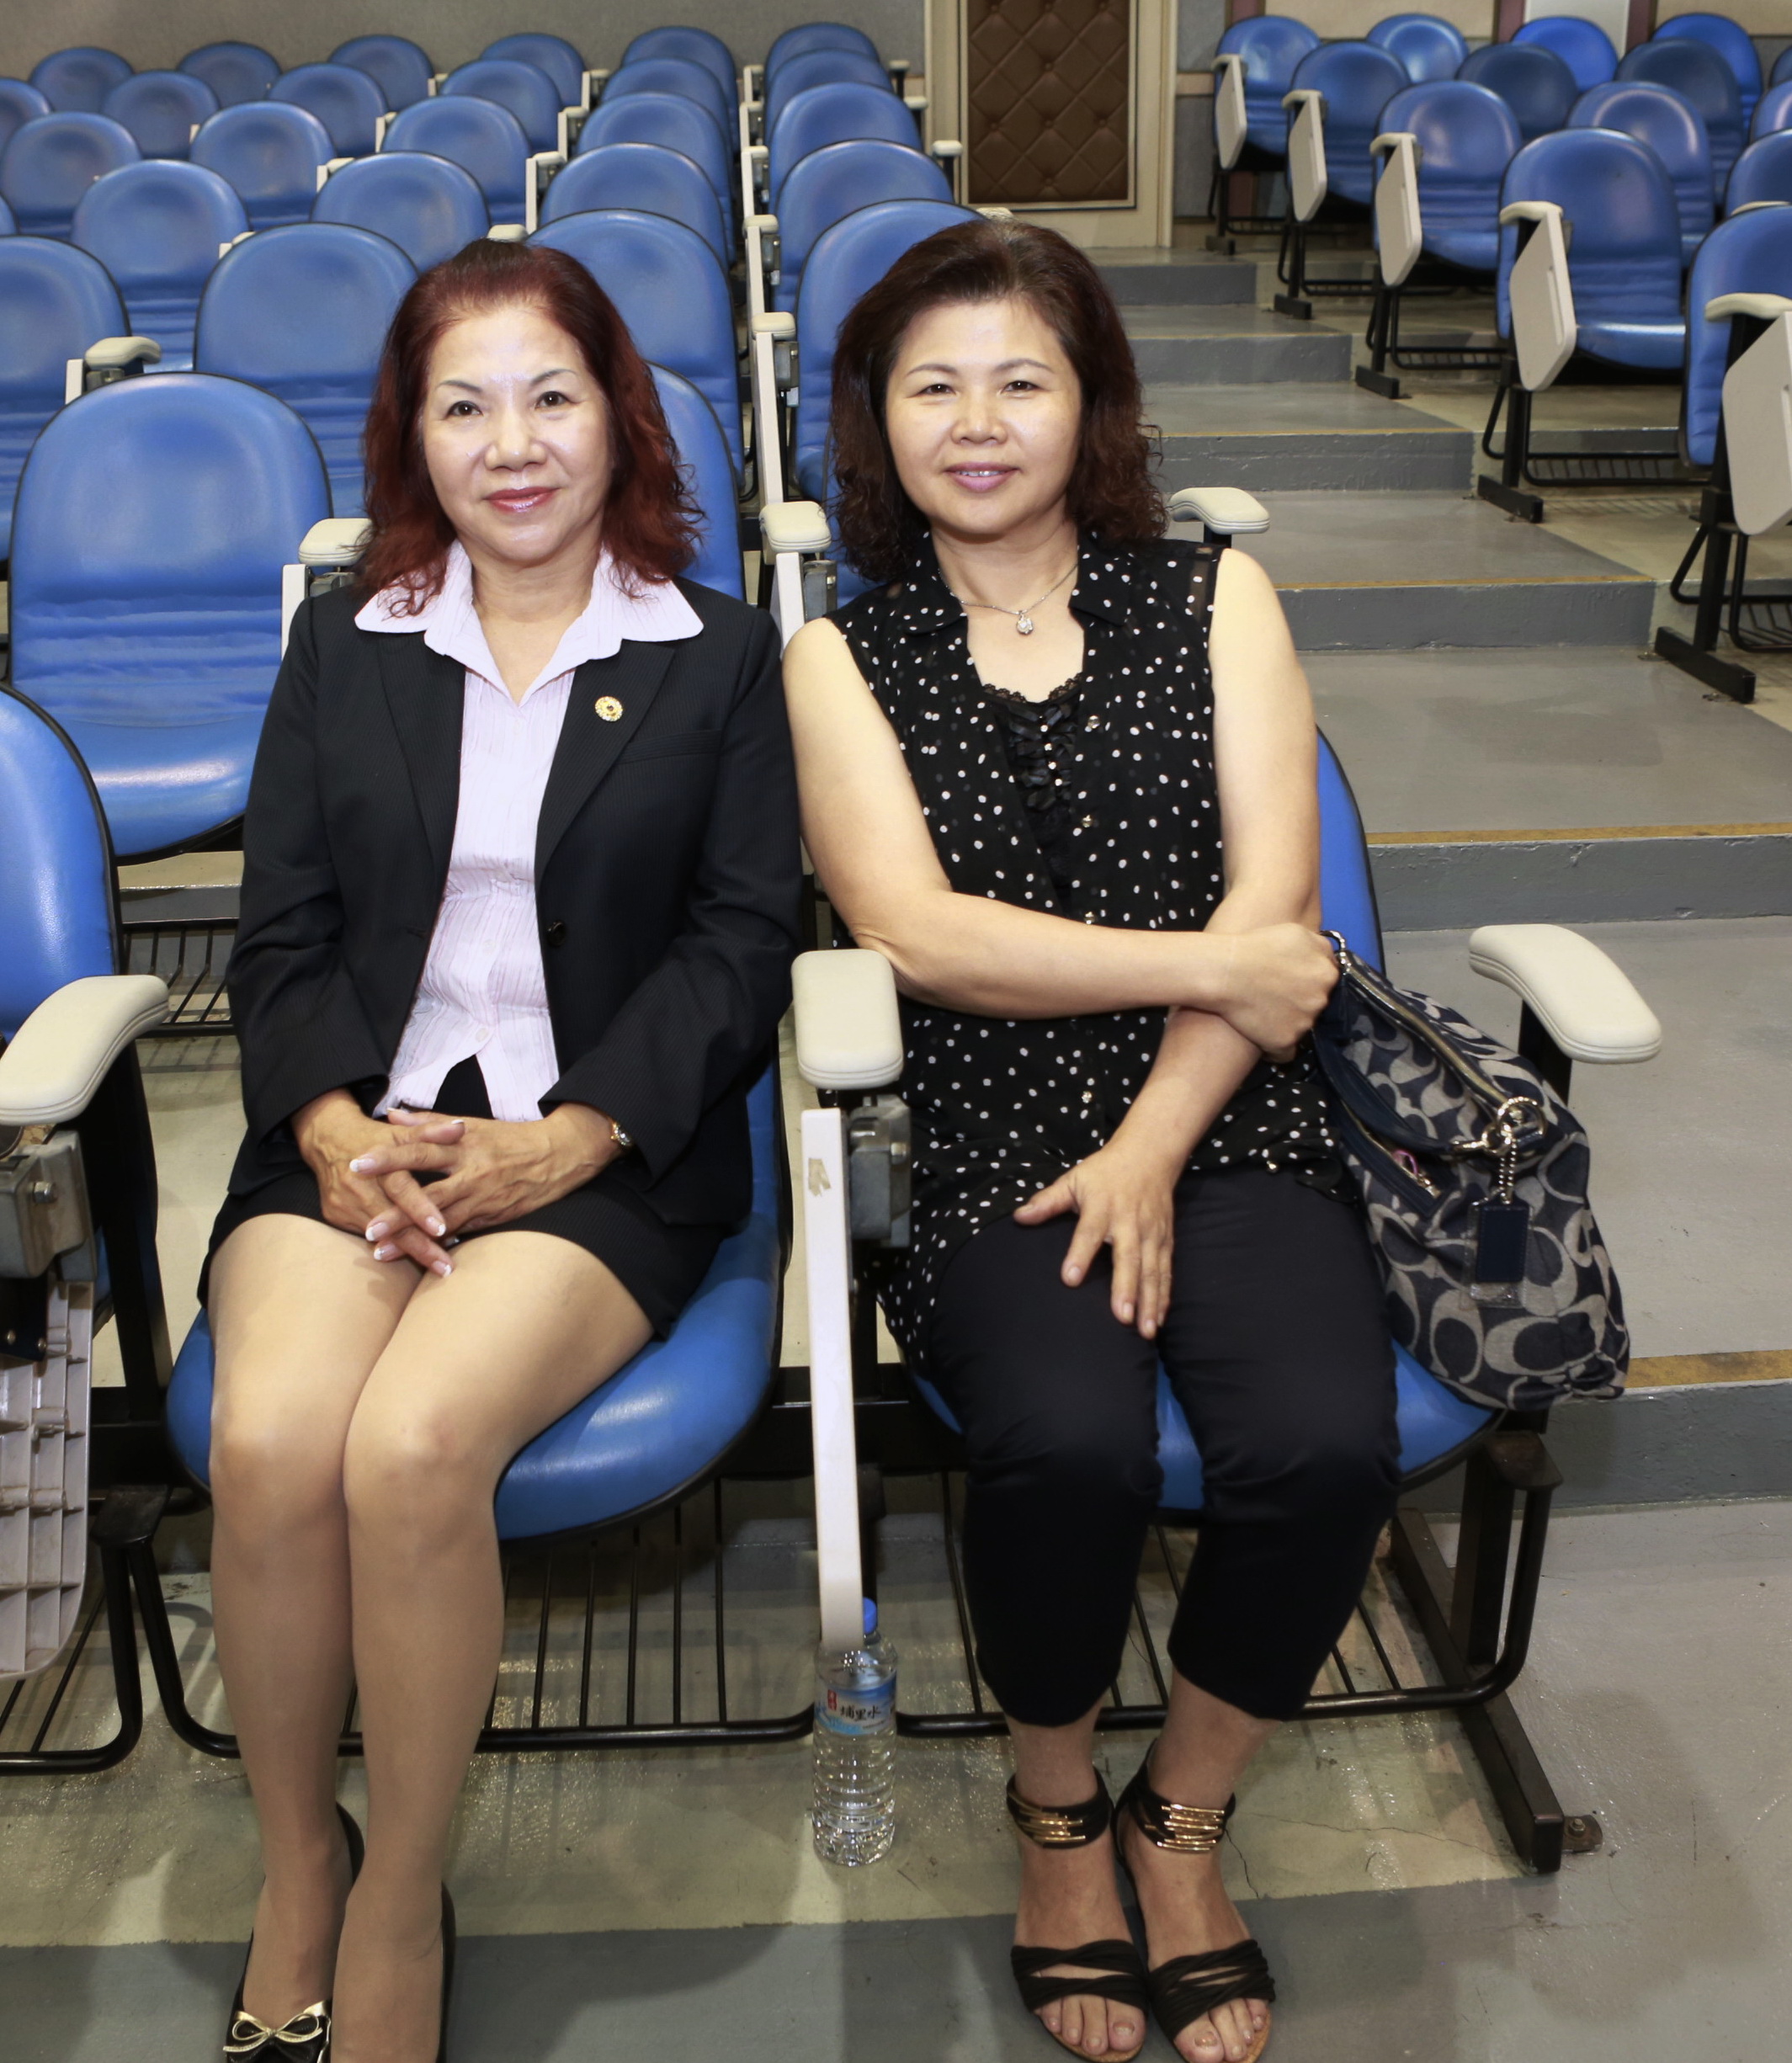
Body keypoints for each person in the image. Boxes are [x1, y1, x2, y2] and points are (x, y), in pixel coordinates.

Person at [784, 219, 1400, 2063]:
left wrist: (1150, 1137)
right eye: (933, 386)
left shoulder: (1218, 598)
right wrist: (1210, 963)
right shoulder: (841, 654)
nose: (976, 423)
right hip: (983, 1125)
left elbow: (1280, 918)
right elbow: (918, 936)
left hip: (1230, 1106)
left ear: (1092, 405)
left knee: (1320, 1444)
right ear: (875, 418)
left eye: (1020, 381)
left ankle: (1181, 1813)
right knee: (1064, 1444)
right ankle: (1055, 1807)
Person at [202, 239, 799, 2063]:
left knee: (410, 1444)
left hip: (604, 1146)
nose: (513, 444)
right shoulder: (346, 641)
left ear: (620, 416)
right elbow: (279, 933)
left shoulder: (717, 655)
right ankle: (300, 1861)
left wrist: (572, 1135)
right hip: (355, 1123)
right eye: (464, 406)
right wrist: (329, 1128)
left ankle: (401, 1896)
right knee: (270, 1438)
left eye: (551, 396)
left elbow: (741, 942)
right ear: (412, 436)